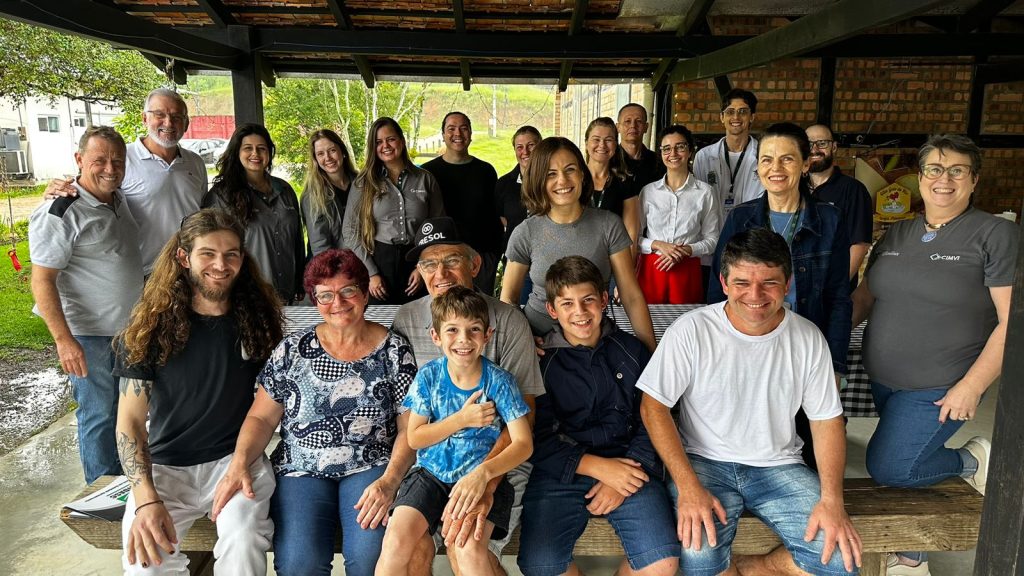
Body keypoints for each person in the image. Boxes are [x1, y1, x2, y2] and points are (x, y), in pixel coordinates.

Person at [639, 228, 862, 576]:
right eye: (742, 282)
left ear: (787, 284)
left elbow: (826, 421)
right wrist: (687, 486)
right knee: (697, 559)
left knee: (840, 562)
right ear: (724, 283)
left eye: (769, 283)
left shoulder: (807, 337)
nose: (755, 295)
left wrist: (833, 500)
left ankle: (757, 566)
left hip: (779, 465)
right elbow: (653, 407)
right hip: (704, 462)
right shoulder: (691, 329)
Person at [853, 134, 1014, 576]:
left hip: (944, 383)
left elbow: (1012, 321)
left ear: (974, 180)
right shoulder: (898, 231)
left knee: (892, 466)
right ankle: (914, 549)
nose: (944, 179)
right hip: (886, 379)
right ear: (919, 179)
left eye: (957, 170)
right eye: (934, 170)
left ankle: (970, 459)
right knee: (915, 454)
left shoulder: (996, 234)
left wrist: (973, 386)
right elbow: (865, 298)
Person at [211, 248, 417, 575]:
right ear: (314, 300)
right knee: (299, 563)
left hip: (371, 464)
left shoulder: (394, 350)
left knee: (371, 558)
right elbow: (261, 417)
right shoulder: (292, 350)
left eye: (348, 290)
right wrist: (239, 462)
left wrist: (391, 481)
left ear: (364, 293)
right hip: (301, 467)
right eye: (325, 295)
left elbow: (411, 428)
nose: (337, 302)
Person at [113, 208, 283, 574]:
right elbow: (128, 421)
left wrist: (242, 461)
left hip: (235, 460)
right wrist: (144, 500)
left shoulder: (257, 320)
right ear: (183, 256)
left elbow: (274, 401)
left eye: (231, 254)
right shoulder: (150, 328)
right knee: (145, 563)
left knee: (243, 541)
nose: (220, 265)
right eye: (207, 253)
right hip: (167, 467)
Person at [392, 216, 545, 576]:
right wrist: (389, 478)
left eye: (451, 260)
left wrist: (485, 481)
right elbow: (409, 428)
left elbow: (526, 422)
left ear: (474, 264)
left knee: (465, 546)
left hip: (497, 461)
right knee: (408, 544)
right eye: (429, 263)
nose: (440, 272)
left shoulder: (507, 322)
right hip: (430, 464)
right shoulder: (407, 319)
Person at [517, 256, 679, 576]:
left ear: (604, 300)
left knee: (662, 561)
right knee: (542, 565)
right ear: (552, 310)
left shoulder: (633, 351)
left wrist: (623, 477)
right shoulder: (540, 361)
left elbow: (654, 418)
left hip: (631, 466)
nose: (579, 312)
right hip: (561, 472)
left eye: (588, 300)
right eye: (567, 303)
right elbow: (537, 435)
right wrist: (598, 468)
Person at [708, 122, 851, 470]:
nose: (776, 169)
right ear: (757, 167)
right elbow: (718, 288)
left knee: (811, 441)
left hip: (805, 343)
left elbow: (838, 297)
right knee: (754, 430)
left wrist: (833, 362)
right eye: (767, 160)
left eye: (787, 159)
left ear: (805, 163)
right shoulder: (741, 218)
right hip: (749, 342)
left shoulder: (830, 220)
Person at [376, 286, 533, 576]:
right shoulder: (429, 377)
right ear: (435, 336)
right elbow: (415, 437)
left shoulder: (499, 382)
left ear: (488, 335)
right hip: (429, 475)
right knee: (396, 541)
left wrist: (484, 474)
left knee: (467, 549)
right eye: (452, 330)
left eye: (474, 329)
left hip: (477, 478)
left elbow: (523, 444)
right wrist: (461, 420)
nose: (463, 339)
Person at [29, 126, 143, 484]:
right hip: (90, 335)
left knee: (126, 411)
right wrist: (64, 341)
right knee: (98, 415)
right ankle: (100, 493)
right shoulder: (60, 212)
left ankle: (124, 484)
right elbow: (42, 280)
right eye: (99, 160)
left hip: (127, 330)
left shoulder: (117, 199)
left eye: (117, 161)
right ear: (79, 161)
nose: (110, 168)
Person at [499, 137, 656, 352]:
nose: (562, 180)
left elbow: (631, 295)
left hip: (591, 339)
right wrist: (522, 340)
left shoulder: (609, 225)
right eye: (550, 174)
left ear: (582, 174)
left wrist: (651, 353)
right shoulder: (525, 232)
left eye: (570, 170)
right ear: (538, 181)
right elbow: (509, 298)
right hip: (539, 344)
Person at [44, 88, 207, 275]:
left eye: (177, 117)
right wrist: (59, 188)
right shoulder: (121, 160)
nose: (168, 123)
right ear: (145, 118)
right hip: (141, 272)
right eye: (159, 115)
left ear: (186, 123)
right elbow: (89, 186)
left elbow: (200, 212)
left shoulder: (195, 163)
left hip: (188, 268)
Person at [343, 117, 444, 305]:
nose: (385, 146)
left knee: (419, 321)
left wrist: (424, 267)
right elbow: (350, 231)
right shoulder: (363, 183)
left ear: (402, 141)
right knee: (380, 323)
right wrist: (371, 273)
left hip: (417, 259)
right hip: (379, 262)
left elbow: (437, 228)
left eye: (391, 139)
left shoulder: (425, 179)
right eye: (378, 142)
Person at [201, 123, 305, 303]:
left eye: (261, 148)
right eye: (248, 148)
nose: (255, 154)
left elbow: (297, 240)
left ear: (269, 153)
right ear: (237, 152)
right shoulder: (221, 196)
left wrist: (300, 280)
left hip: (285, 293)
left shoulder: (285, 190)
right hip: (245, 294)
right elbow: (208, 247)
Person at [637, 124, 721, 304]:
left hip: (687, 269)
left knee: (685, 324)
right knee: (650, 325)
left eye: (680, 147)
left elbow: (713, 240)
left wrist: (685, 250)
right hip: (652, 268)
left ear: (690, 151)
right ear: (660, 153)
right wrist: (659, 245)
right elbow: (633, 238)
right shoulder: (648, 192)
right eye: (666, 149)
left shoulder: (705, 192)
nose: (673, 153)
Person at [423, 112, 504, 296]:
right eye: (451, 129)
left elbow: (496, 213)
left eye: (463, 128)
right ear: (443, 134)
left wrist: (493, 255)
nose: (457, 133)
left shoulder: (486, 171)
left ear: (470, 133)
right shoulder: (428, 172)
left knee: (483, 311)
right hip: (444, 260)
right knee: (448, 312)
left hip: (481, 256)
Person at [693, 88, 762, 290]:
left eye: (743, 111)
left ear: (752, 117)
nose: (736, 117)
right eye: (730, 111)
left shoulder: (763, 155)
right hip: (710, 248)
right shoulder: (704, 157)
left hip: (750, 247)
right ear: (722, 117)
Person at [805, 124, 873, 289]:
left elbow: (859, 245)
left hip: (832, 290)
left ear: (834, 147)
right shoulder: (795, 187)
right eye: (809, 144)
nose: (814, 150)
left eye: (822, 143)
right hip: (798, 288)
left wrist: (834, 288)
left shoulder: (853, 190)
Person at [495, 125, 542, 306]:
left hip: (548, 259)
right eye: (520, 147)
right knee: (517, 308)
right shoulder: (504, 184)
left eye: (531, 145)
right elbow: (504, 220)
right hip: (518, 260)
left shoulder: (553, 179)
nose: (526, 151)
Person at [584, 117, 641, 252]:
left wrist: (627, 269)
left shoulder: (624, 183)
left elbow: (631, 233)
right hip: (576, 258)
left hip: (612, 258)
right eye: (596, 139)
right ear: (586, 144)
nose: (602, 145)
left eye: (608, 140)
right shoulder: (574, 179)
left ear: (616, 145)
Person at [301, 129, 359, 256]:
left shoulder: (361, 183)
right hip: (332, 266)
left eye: (332, 150)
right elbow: (320, 246)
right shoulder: (312, 194)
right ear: (315, 159)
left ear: (342, 151)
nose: (327, 158)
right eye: (320, 154)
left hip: (365, 261)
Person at [617, 103, 665, 188]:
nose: (633, 126)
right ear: (618, 127)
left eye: (638, 121)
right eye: (627, 121)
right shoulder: (610, 160)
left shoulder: (659, 161)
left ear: (646, 127)